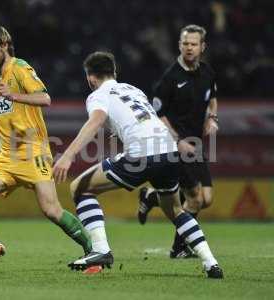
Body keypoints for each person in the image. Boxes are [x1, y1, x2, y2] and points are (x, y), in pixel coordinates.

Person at [53, 51, 223, 278]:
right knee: (174, 209)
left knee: (80, 188)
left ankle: (101, 250)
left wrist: (68, 155)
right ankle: (211, 263)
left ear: (90, 78)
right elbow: (140, 119)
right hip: (170, 151)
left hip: (142, 154)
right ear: (114, 72)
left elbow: (96, 120)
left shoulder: (97, 95)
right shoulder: (134, 89)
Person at [0, 26, 91, 258]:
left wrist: (13, 94)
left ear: (4, 45)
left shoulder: (20, 68)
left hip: (34, 153)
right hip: (6, 157)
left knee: (52, 210)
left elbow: (45, 98)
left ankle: (93, 250)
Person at [137, 24, 219, 259]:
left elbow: (212, 98)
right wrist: (177, 140)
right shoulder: (170, 78)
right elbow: (157, 114)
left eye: (194, 44)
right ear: (179, 45)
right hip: (174, 145)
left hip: (195, 144)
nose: (189, 48)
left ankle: (151, 196)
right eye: (185, 43)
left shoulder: (207, 73)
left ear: (203, 47)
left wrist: (212, 118)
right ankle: (179, 248)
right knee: (194, 199)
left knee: (207, 200)